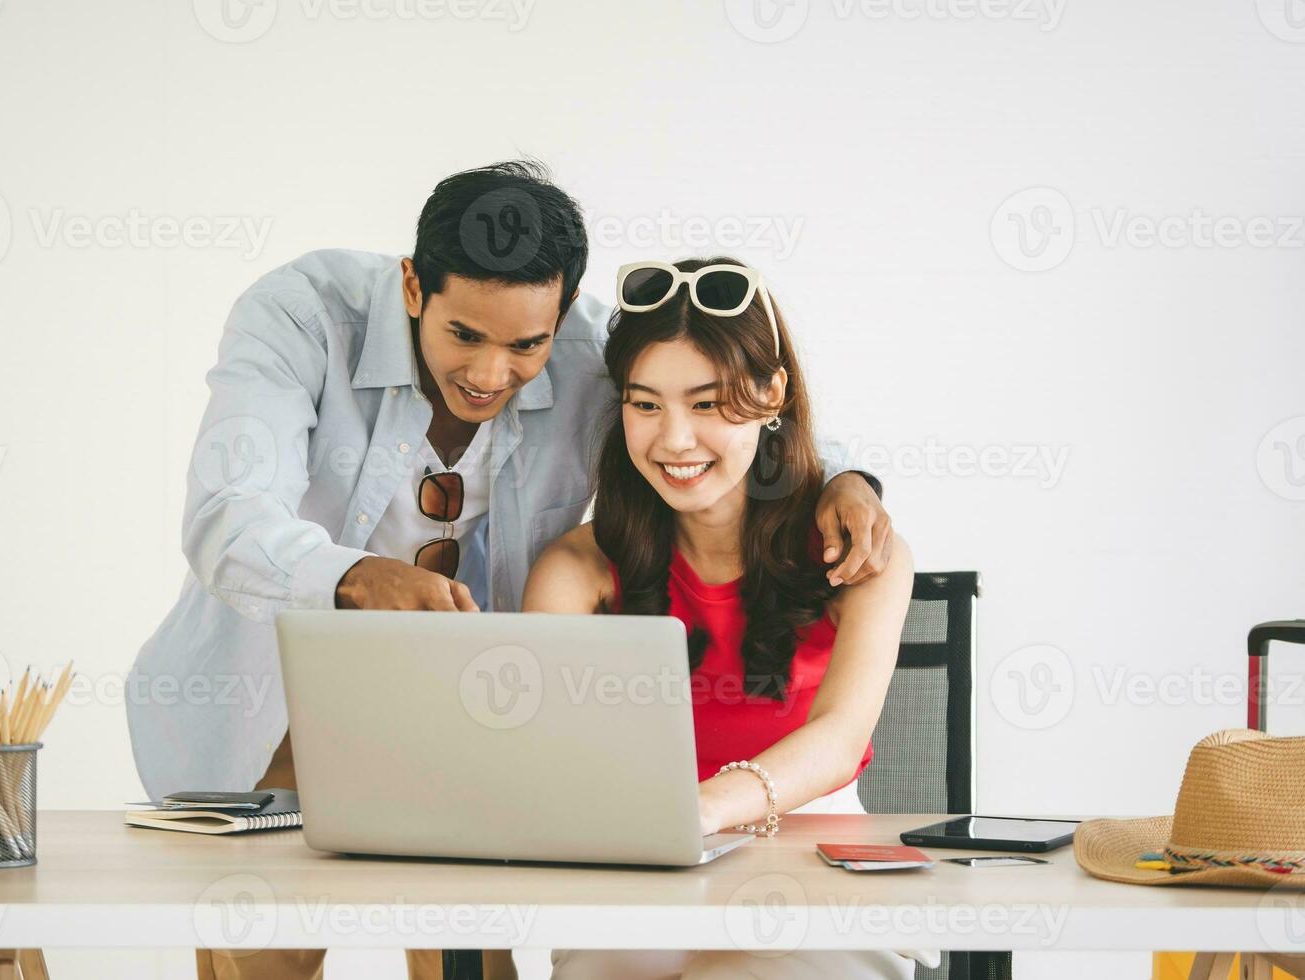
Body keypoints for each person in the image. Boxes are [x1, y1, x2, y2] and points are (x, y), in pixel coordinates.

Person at [126, 164, 897, 980]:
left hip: (469, 713)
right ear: (413, 287)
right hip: (285, 704)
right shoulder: (304, 314)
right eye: (466, 335)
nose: (492, 375)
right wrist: (357, 579)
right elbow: (225, 516)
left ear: (561, 315)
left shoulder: (590, 347)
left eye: (526, 345)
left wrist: (849, 481)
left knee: (470, 955)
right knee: (265, 946)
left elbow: (726, 403)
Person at [523, 257, 927, 979]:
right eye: (646, 404)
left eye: (706, 405)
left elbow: (838, 741)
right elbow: (557, 760)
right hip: (643, 884)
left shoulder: (861, 553)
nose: (674, 441)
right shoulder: (576, 570)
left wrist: (697, 812)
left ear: (773, 393)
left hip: (818, 874)